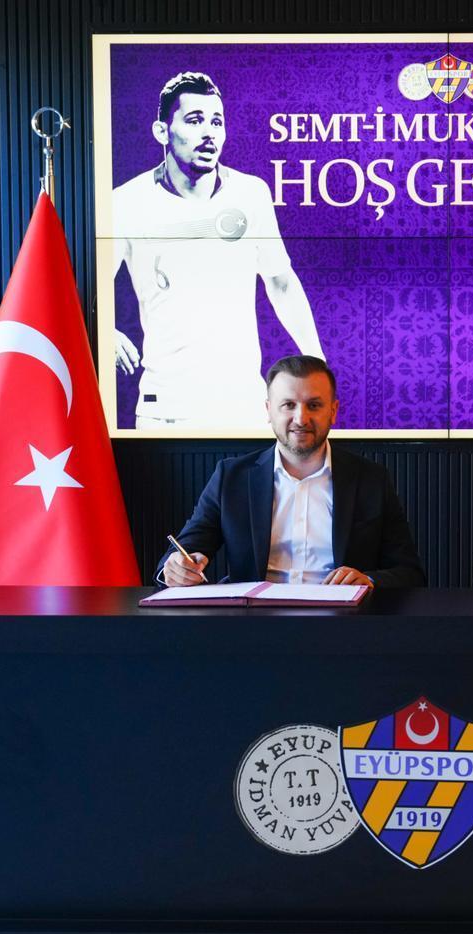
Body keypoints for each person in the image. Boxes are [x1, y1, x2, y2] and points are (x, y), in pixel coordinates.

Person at [113, 71, 324, 431]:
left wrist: (316, 358)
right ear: (162, 131)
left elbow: (281, 282)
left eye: (216, 121)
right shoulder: (127, 202)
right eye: (195, 120)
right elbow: (84, 288)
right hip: (166, 407)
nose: (209, 132)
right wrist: (107, 332)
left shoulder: (251, 193)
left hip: (243, 403)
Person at [159, 356, 425, 588]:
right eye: (288, 405)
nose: (301, 419)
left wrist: (368, 580)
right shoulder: (231, 477)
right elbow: (180, 554)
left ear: (333, 411)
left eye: (314, 405)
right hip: (253, 622)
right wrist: (176, 569)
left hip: (343, 622)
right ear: (268, 411)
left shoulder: (371, 479)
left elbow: (410, 573)